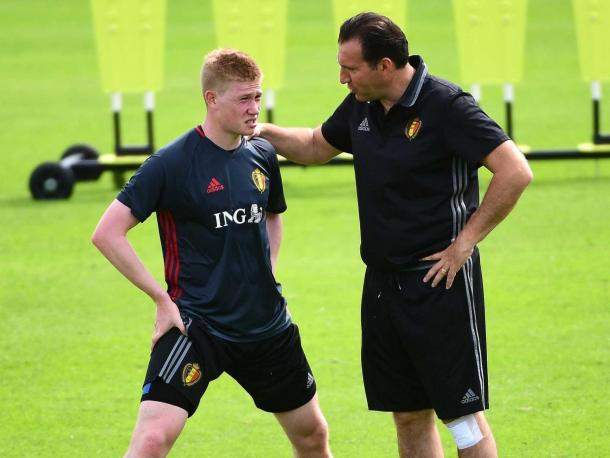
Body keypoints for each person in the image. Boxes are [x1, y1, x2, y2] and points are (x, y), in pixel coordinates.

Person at [255, 12, 533, 458]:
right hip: (384, 285)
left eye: (351, 68)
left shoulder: (447, 106)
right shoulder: (362, 105)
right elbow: (314, 145)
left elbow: (515, 171)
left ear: (385, 65)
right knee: (406, 414)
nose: (342, 77)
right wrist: (262, 131)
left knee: (462, 420)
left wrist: (465, 244)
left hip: (437, 283)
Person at [91, 48, 332, 458]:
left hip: (267, 327)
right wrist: (160, 299)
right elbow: (108, 233)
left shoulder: (262, 154)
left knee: (313, 437)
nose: (255, 108)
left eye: (257, 96)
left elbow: (272, 215)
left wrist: (267, 272)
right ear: (211, 99)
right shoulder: (171, 164)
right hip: (197, 327)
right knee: (150, 441)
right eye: (244, 99)